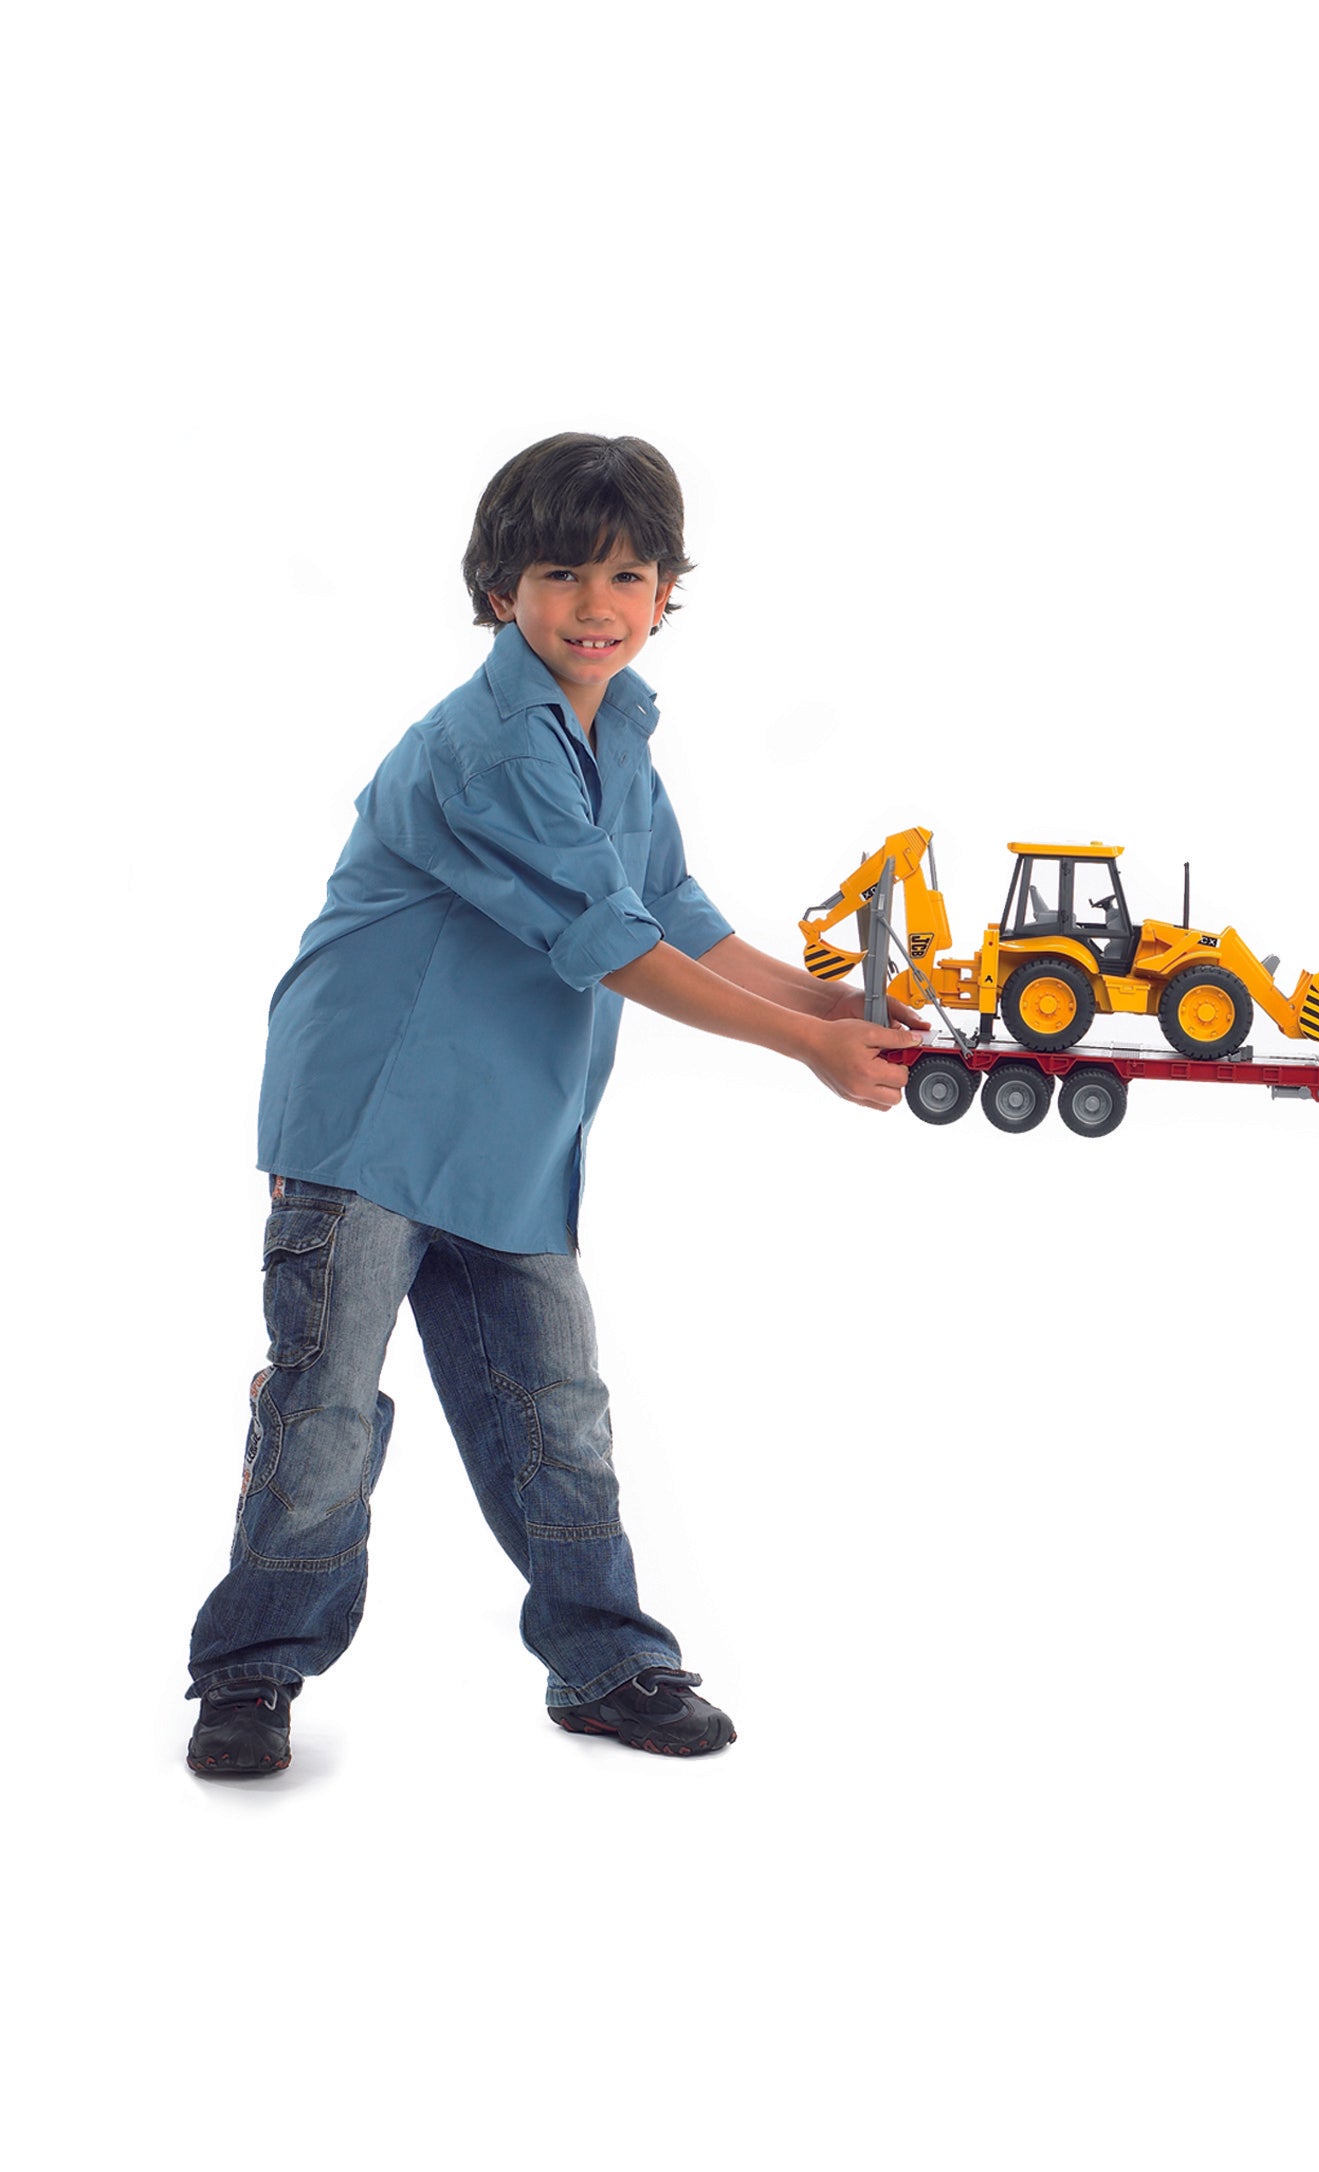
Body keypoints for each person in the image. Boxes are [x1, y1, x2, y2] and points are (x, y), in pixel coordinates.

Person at [185, 433, 919, 1775]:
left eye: (629, 576)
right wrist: (803, 1047)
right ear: (499, 589)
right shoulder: (487, 744)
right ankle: (249, 1673)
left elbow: (673, 910)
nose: (598, 605)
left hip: (509, 1136)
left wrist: (830, 1004)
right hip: (370, 1125)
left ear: (667, 594)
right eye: (563, 573)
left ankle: (605, 1665)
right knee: (326, 1405)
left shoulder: (614, 729)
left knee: (556, 1409)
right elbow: (611, 944)